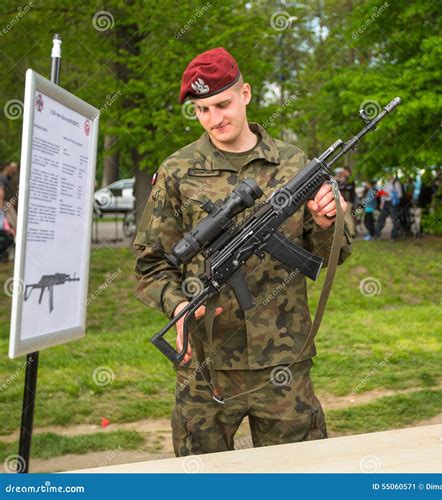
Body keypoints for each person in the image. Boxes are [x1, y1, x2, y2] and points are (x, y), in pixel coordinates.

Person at [134, 47, 352, 457]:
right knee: (202, 481)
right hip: (204, 367)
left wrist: (328, 222)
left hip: (282, 362)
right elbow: (150, 265)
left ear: (246, 94)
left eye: (222, 104)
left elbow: (331, 255)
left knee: (301, 476)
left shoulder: (293, 164)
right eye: (202, 110)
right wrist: (177, 304)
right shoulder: (177, 172)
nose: (215, 119)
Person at [374, 175, 403, 241]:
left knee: (394, 220)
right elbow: (382, 195)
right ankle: (377, 235)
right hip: (386, 203)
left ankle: (394, 237)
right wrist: (382, 204)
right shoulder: (386, 183)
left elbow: (400, 195)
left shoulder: (396, 183)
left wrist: (390, 194)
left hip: (392, 203)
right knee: (381, 219)